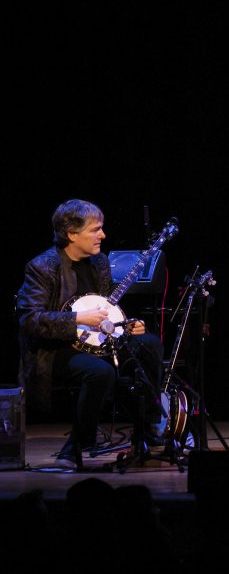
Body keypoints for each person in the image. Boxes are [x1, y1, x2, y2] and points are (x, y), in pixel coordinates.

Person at [16, 199, 165, 469]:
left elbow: (105, 309)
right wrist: (78, 319)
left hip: (98, 343)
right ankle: (75, 446)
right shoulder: (42, 267)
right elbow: (30, 320)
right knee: (100, 372)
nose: (103, 235)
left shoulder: (100, 263)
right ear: (72, 234)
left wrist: (125, 325)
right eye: (95, 229)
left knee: (148, 344)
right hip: (55, 350)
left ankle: (148, 430)